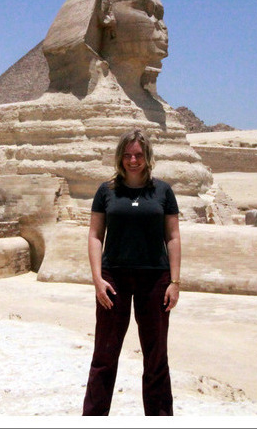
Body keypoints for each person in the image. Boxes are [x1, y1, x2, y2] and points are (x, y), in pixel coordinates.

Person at [82, 128, 182, 416]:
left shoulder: (163, 191)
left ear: (147, 156)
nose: (133, 160)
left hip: (155, 279)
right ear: (119, 157)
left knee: (156, 357)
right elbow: (94, 234)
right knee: (104, 354)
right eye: (127, 155)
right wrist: (97, 279)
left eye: (138, 155)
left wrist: (175, 281)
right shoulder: (106, 190)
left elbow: (173, 236)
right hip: (114, 279)